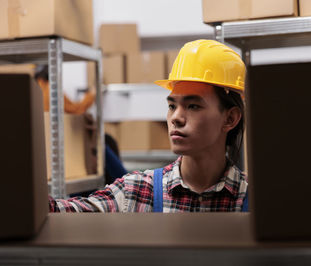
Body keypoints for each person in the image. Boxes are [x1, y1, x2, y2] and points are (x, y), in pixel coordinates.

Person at [49, 39, 248, 212]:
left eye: (193, 106)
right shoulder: (139, 192)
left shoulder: (254, 198)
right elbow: (68, 212)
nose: (175, 118)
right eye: (172, 106)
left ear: (230, 119)